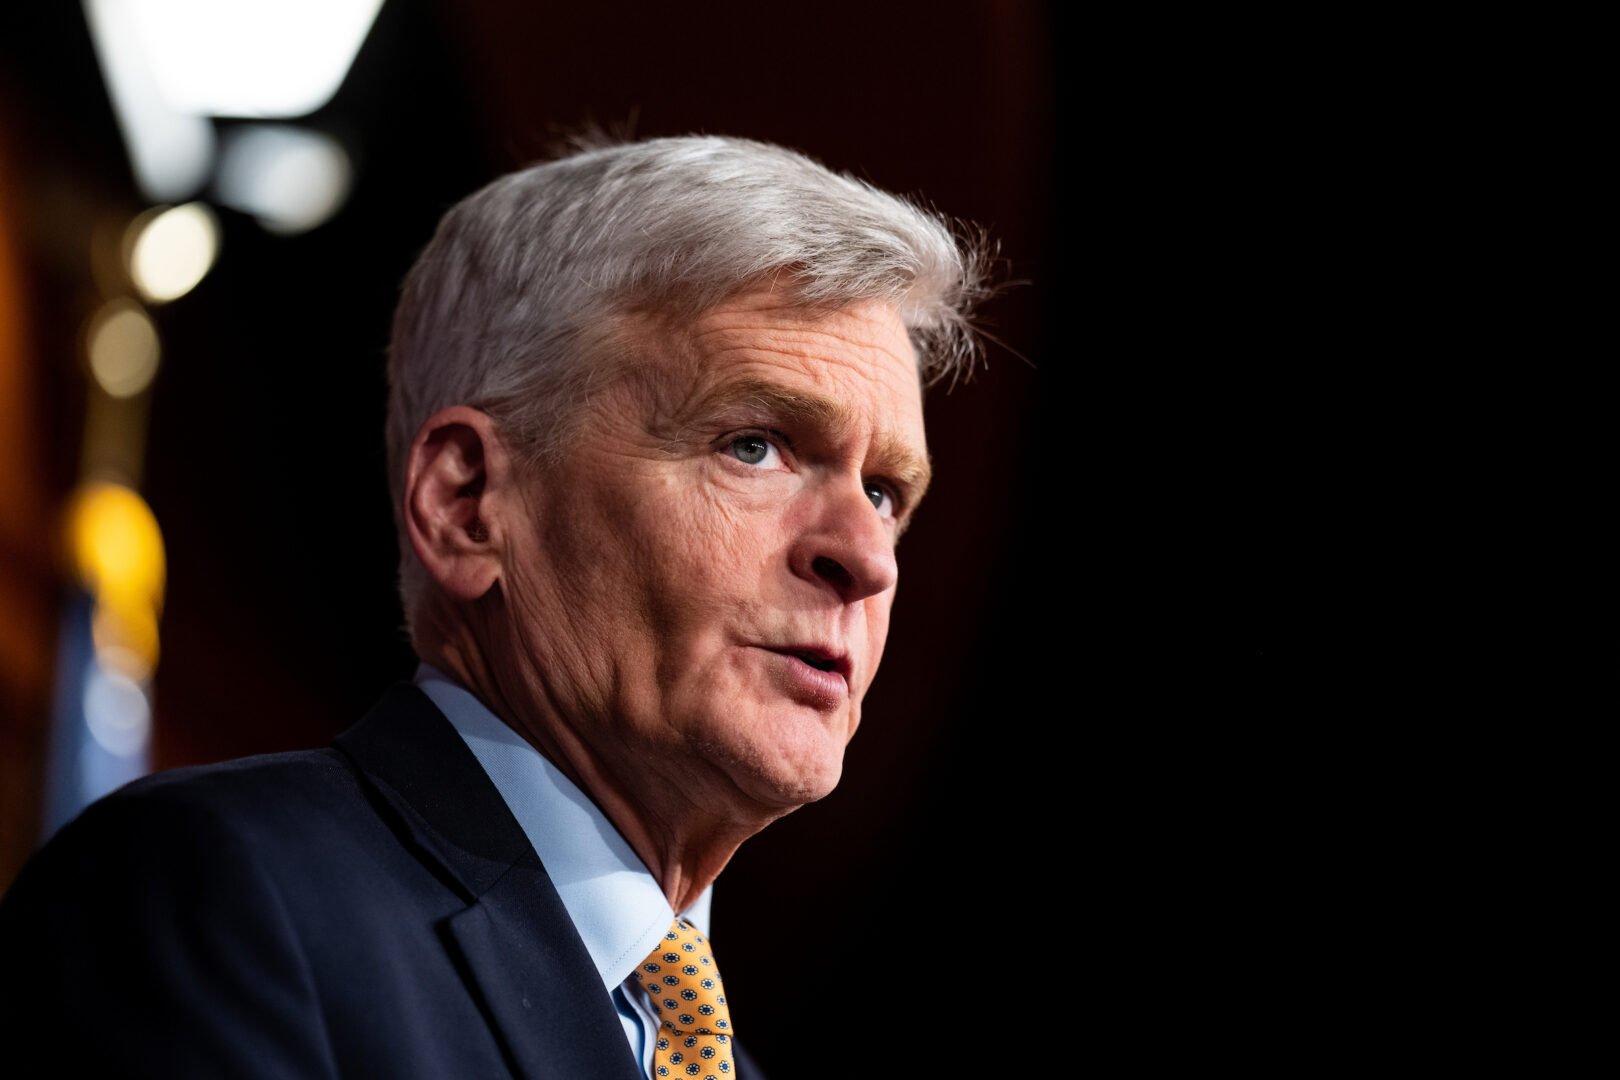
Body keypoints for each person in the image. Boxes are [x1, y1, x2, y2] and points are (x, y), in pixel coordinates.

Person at [0, 135, 989, 1077]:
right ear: (468, 505)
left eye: (885, 493)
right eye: (755, 445)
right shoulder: (222, 899)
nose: (865, 558)